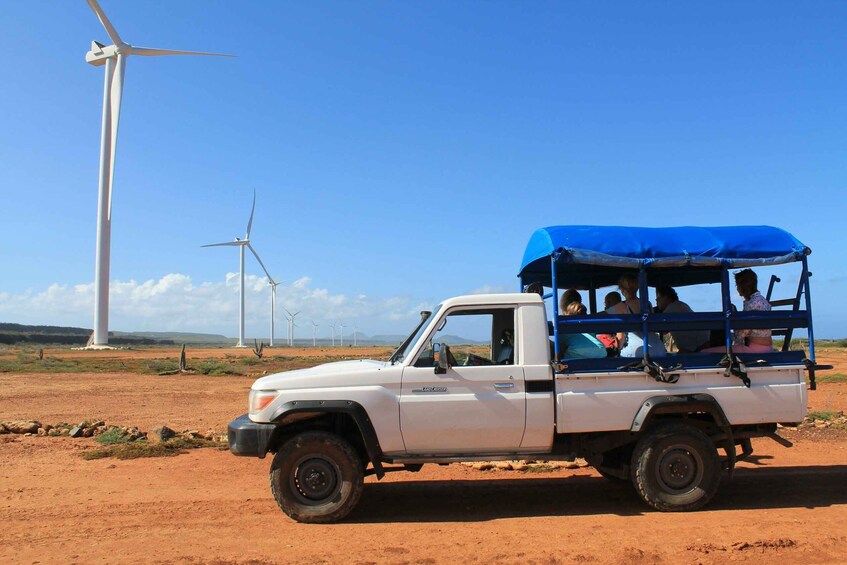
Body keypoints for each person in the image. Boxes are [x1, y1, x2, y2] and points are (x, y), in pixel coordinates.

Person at [703, 269, 773, 354]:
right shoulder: (758, 300)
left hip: (754, 348)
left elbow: (741, 335)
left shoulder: (754, 304)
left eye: (737, 285)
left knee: (705, 352)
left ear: (743, 286)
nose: (737, 288)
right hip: (759, 346)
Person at [607, 273, 666, 358]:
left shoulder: (622, 306)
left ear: (622, 289)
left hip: (637, 351)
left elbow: (620, 337)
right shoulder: (648, 304)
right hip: (659, 349)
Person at [655, 286, 710, 353]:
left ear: (666, 297)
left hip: (695, 346)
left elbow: (663, 329)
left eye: (658, 297)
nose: (656, 300)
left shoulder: (671, 309)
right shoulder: (680, 305)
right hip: (700, 342)